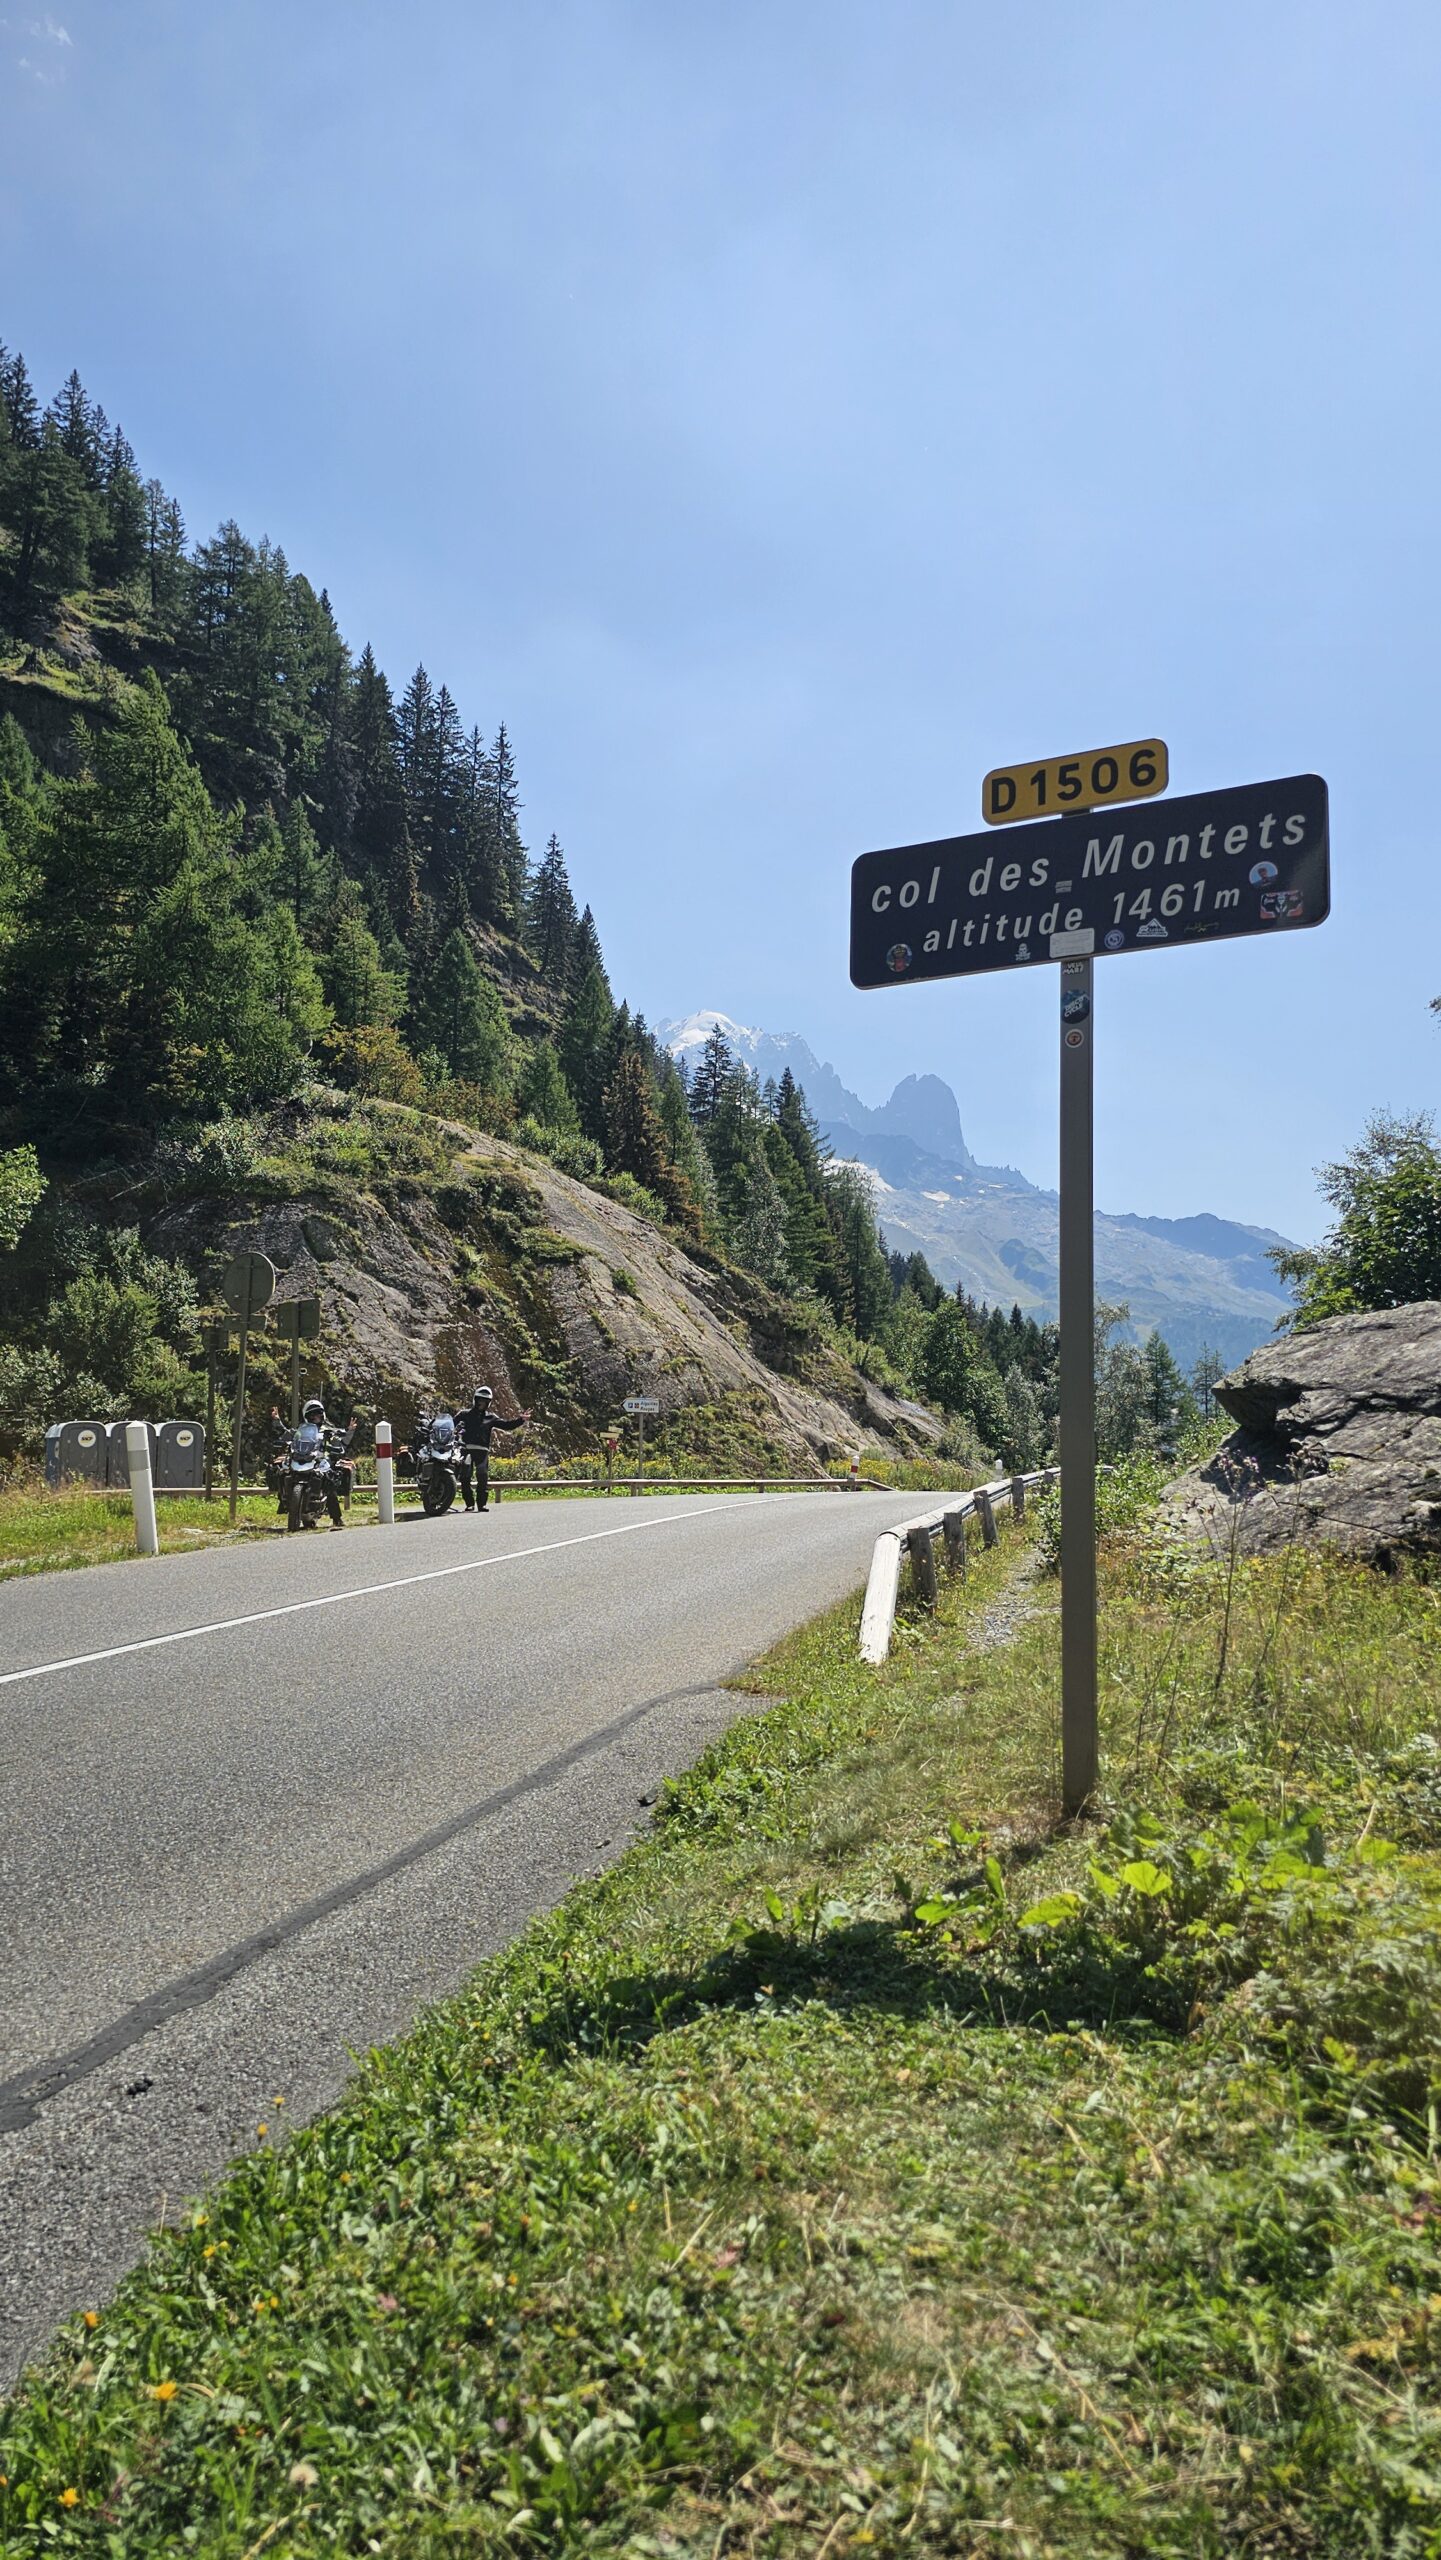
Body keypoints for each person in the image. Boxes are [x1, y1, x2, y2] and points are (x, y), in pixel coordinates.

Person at [456, 1383, 531, 1512]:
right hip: (466, 1449)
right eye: (480, 1400)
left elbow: (507, 1425)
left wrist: (521, 1420)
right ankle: (469, 1504)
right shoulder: (464, 1414)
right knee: (465, 1477)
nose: (482, 1403)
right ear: (475, 1399)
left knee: (483, 1477)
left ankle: (482, 1505)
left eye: (485, 1401)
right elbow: (451, 1424)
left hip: (482, 1451)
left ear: (488, 1403)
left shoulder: (491, 1417)